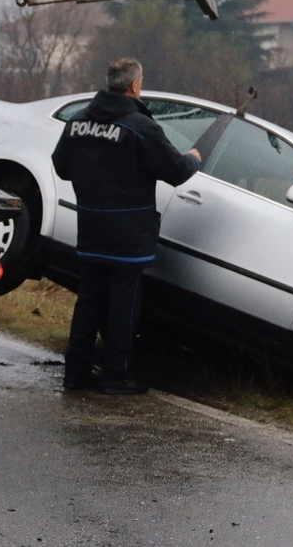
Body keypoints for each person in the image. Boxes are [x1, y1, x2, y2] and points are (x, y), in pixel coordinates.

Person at [51, 57, 201, 394]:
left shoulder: (78, 121)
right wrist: (193, 157)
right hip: (128, 234)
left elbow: (61, 166)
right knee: (123, 306)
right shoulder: (140, 126)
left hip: (90, 226)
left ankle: (75, 374)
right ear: (134, 85)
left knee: (88, 301)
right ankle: (115, 376)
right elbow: (176, 171)